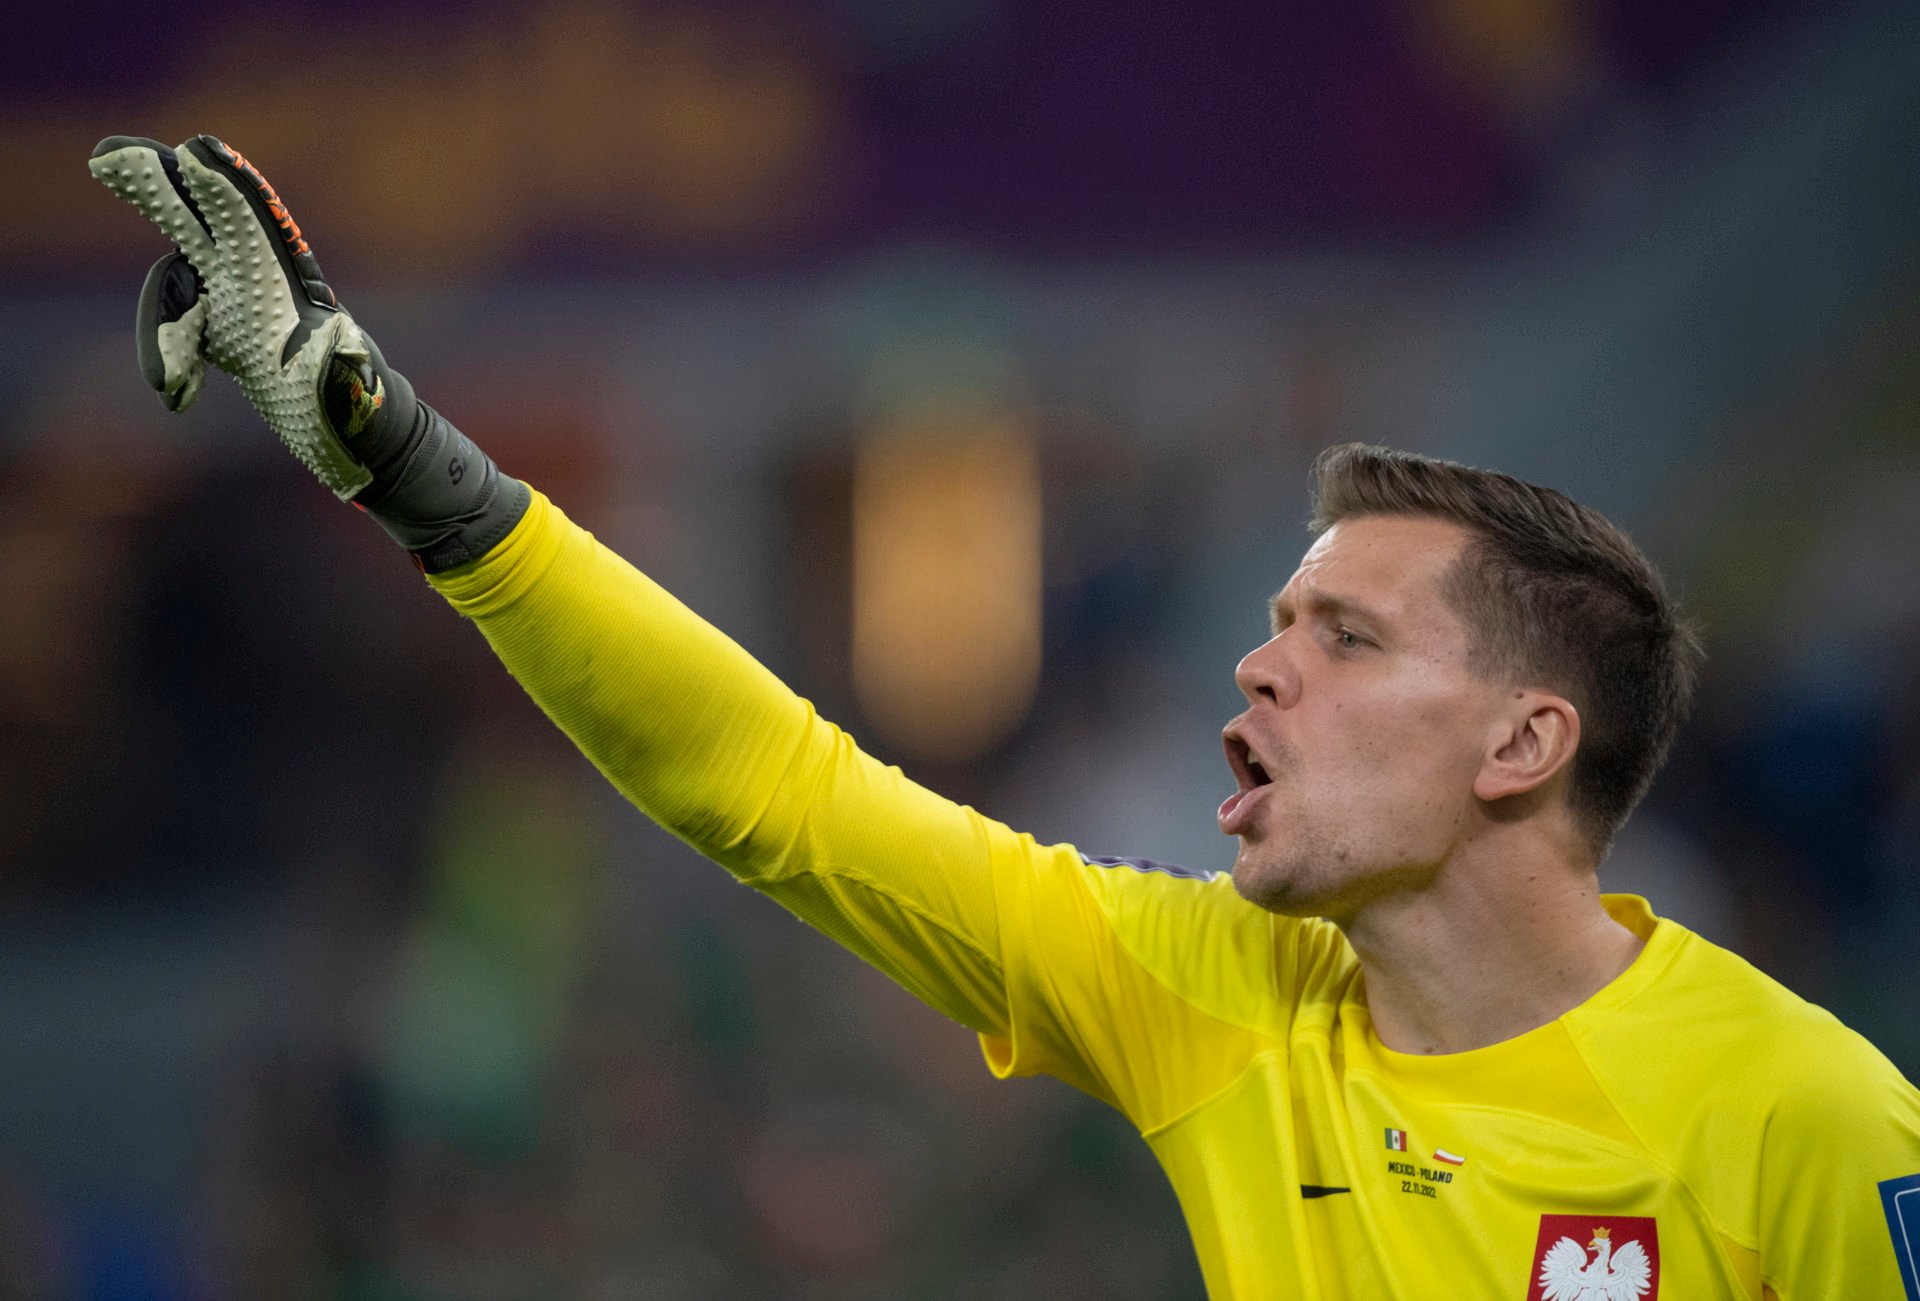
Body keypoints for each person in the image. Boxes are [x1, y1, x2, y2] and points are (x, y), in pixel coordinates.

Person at [90, 133, 1920, 1301]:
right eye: (1274, 624)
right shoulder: (1211, 993)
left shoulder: (1807, 1118)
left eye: (1347, 638)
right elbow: (776, 794)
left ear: (1524, 744)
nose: (1261, 669)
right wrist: (413, 470)